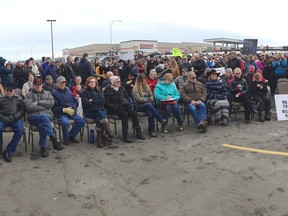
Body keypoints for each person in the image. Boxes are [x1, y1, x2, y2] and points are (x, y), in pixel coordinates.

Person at [24, 78, 64, 157]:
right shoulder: (29, 94)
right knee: (44, 118)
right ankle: (53, 140)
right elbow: (28, 107)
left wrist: (39, 103)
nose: (38, 86)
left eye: (40, 85)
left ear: (42, 85)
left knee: (43, 124)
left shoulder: (47, 93)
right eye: (36, 85)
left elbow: (51, 103)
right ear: (33, 85)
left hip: (46, 117)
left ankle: (43, 147)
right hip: (33, 117)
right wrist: (44, 107)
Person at [103, 76, 145, 143]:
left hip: (124, 106)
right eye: (118, 81)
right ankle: (125, 134)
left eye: (120, 81)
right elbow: (107, 103)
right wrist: (115, 107)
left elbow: (127, 98)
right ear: (113, 82)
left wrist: (128, 104)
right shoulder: (108, 90)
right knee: (124, 114)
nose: (119, 83)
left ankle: (138, 131)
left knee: (133, 113)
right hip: (114, 108)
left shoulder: (122, 88)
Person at [81, 76, 114, 147]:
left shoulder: (98, 91)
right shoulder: (84, 92)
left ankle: (100, 138)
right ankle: (108, 133)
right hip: (90, 112)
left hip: (100, 110)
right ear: (87, 83)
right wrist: (97, 102)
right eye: (91, 82)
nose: (93, 83)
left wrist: (92, 100)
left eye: (94, 82)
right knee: (101, 114)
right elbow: (86, 103)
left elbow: (102, 101)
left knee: (100, 115)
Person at [52, 76, 85, 145]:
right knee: (65, 122)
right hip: (61, 113)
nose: (62, 84)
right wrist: (63, 110)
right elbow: (53, 108)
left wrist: (75, 106)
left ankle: (71, 136)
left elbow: (74, 100)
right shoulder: (54, 93)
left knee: (81, 121)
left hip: (71, 112)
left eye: (63, 83)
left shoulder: (68, 90)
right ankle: (66, 139)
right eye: (60, 83)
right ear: (57, 83)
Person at [0, 83, 24, 162]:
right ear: (5, 90)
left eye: (11, 91)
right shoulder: (1, 99)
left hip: (15, 119)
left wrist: (14, 117)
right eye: (7, 90)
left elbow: (22, 111)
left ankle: (8, 151)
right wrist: (3, 118)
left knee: (20, 130)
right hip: (3, 118)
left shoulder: (19, 99)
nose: (9, 92)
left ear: (14, 91)